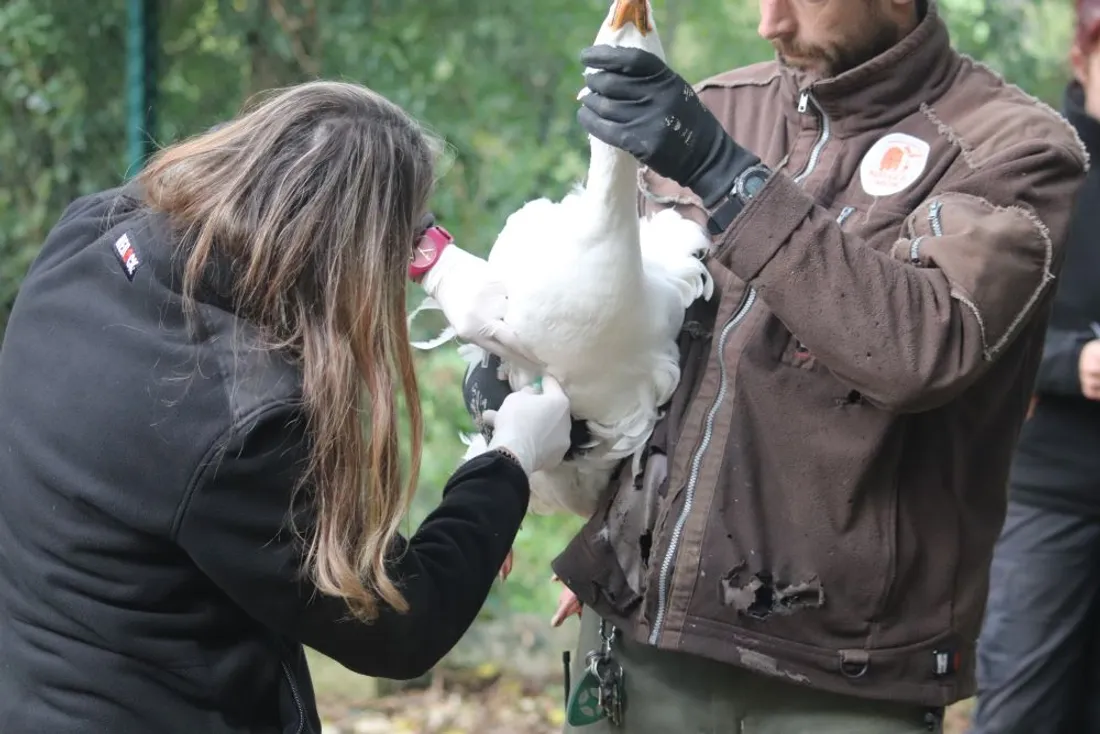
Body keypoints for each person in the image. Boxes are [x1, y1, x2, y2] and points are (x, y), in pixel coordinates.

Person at [464, 0, 1088, 731]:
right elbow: (623, 332)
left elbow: (915, 350)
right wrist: (511, 415)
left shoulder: (1013, 148)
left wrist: (726, 175)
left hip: (842, 672)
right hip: (643, 639)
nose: (771, 23)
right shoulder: (720, 106)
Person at [0, 80, 574, 733]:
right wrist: (509, 462)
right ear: (345, 252)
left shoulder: (90, 239)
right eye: (404, 240)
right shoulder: (230, 421)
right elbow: (395, 622)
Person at [969, 2, 1100, 732]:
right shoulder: (1037, 163)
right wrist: (1070, 360)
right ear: (1080, 57)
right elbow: (973, 321)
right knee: (1023, 708)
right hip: (1048, 490)